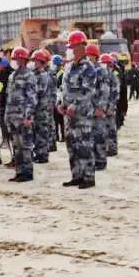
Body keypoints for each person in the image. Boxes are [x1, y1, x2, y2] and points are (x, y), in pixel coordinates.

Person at [59, 31, 97, 188]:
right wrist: (61, 103)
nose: (70, 50)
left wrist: (75, 105)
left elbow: (88, 91)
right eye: (70, 47)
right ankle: (76, 175)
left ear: (81, 47)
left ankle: (88, 177)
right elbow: (63, 89)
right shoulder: (68, 67)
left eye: (73, 47)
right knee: (72, 146)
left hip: (82, 115)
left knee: (84, 146)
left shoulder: (88, 68)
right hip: (69, 116)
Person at [4, 46, 37, 182]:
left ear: (23, 60)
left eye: (16, 59)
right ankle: (19, 172)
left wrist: (28, 116)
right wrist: (7, 115)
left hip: (23, 117)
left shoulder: (29, 76)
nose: (14, 61)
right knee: (16, 146)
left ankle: (27, 173)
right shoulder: (12, 76)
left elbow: (32, 98)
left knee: (26, 146)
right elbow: (9, 97)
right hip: (12, 117)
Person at [31, 49, 55, 164]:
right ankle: (38, 153)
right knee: (36, 131)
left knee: (42, 131)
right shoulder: (35, 73)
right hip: (36, 107)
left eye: (36, 61)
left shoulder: (44, 75)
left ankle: (43, 155)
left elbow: (39, 90)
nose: (34, 63)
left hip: (42, 107)